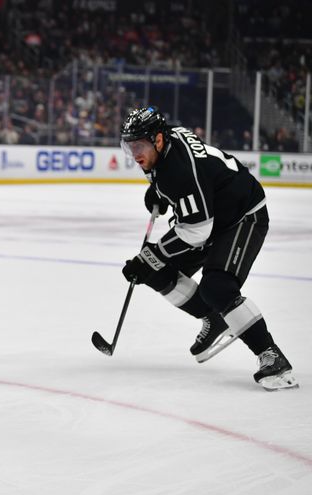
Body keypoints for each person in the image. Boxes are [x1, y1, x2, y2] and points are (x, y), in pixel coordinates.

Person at [119, 106, 298, 391]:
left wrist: (153, 252)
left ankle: (273, 357)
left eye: (139, 145)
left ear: (158, 140)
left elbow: (196, 230)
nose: (135, 154)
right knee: (155, 270)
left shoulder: (178, 170)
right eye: (130, 147)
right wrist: (158, 192)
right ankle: (214, 320)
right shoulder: (165, 147)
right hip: (213, 215)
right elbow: (188, 197)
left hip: (243, 216)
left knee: (217, 287)